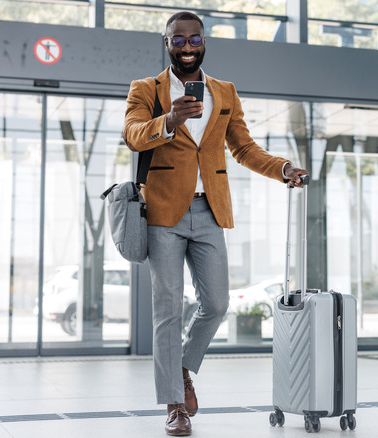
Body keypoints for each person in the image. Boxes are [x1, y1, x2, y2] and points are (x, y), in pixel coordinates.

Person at [122, 11, 308, 437]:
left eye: (194, 40)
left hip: (210, 211)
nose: (187, 47)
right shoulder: (146, 90)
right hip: (164, 211)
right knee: (167, 309)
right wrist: (170, 120)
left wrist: (282, 169)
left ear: (204, 41)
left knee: (218, 303)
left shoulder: (224, 91)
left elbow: (243, 148)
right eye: (178, 40)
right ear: (166, 42)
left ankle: (182, 368)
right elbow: (133, 134)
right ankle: (175, 405)